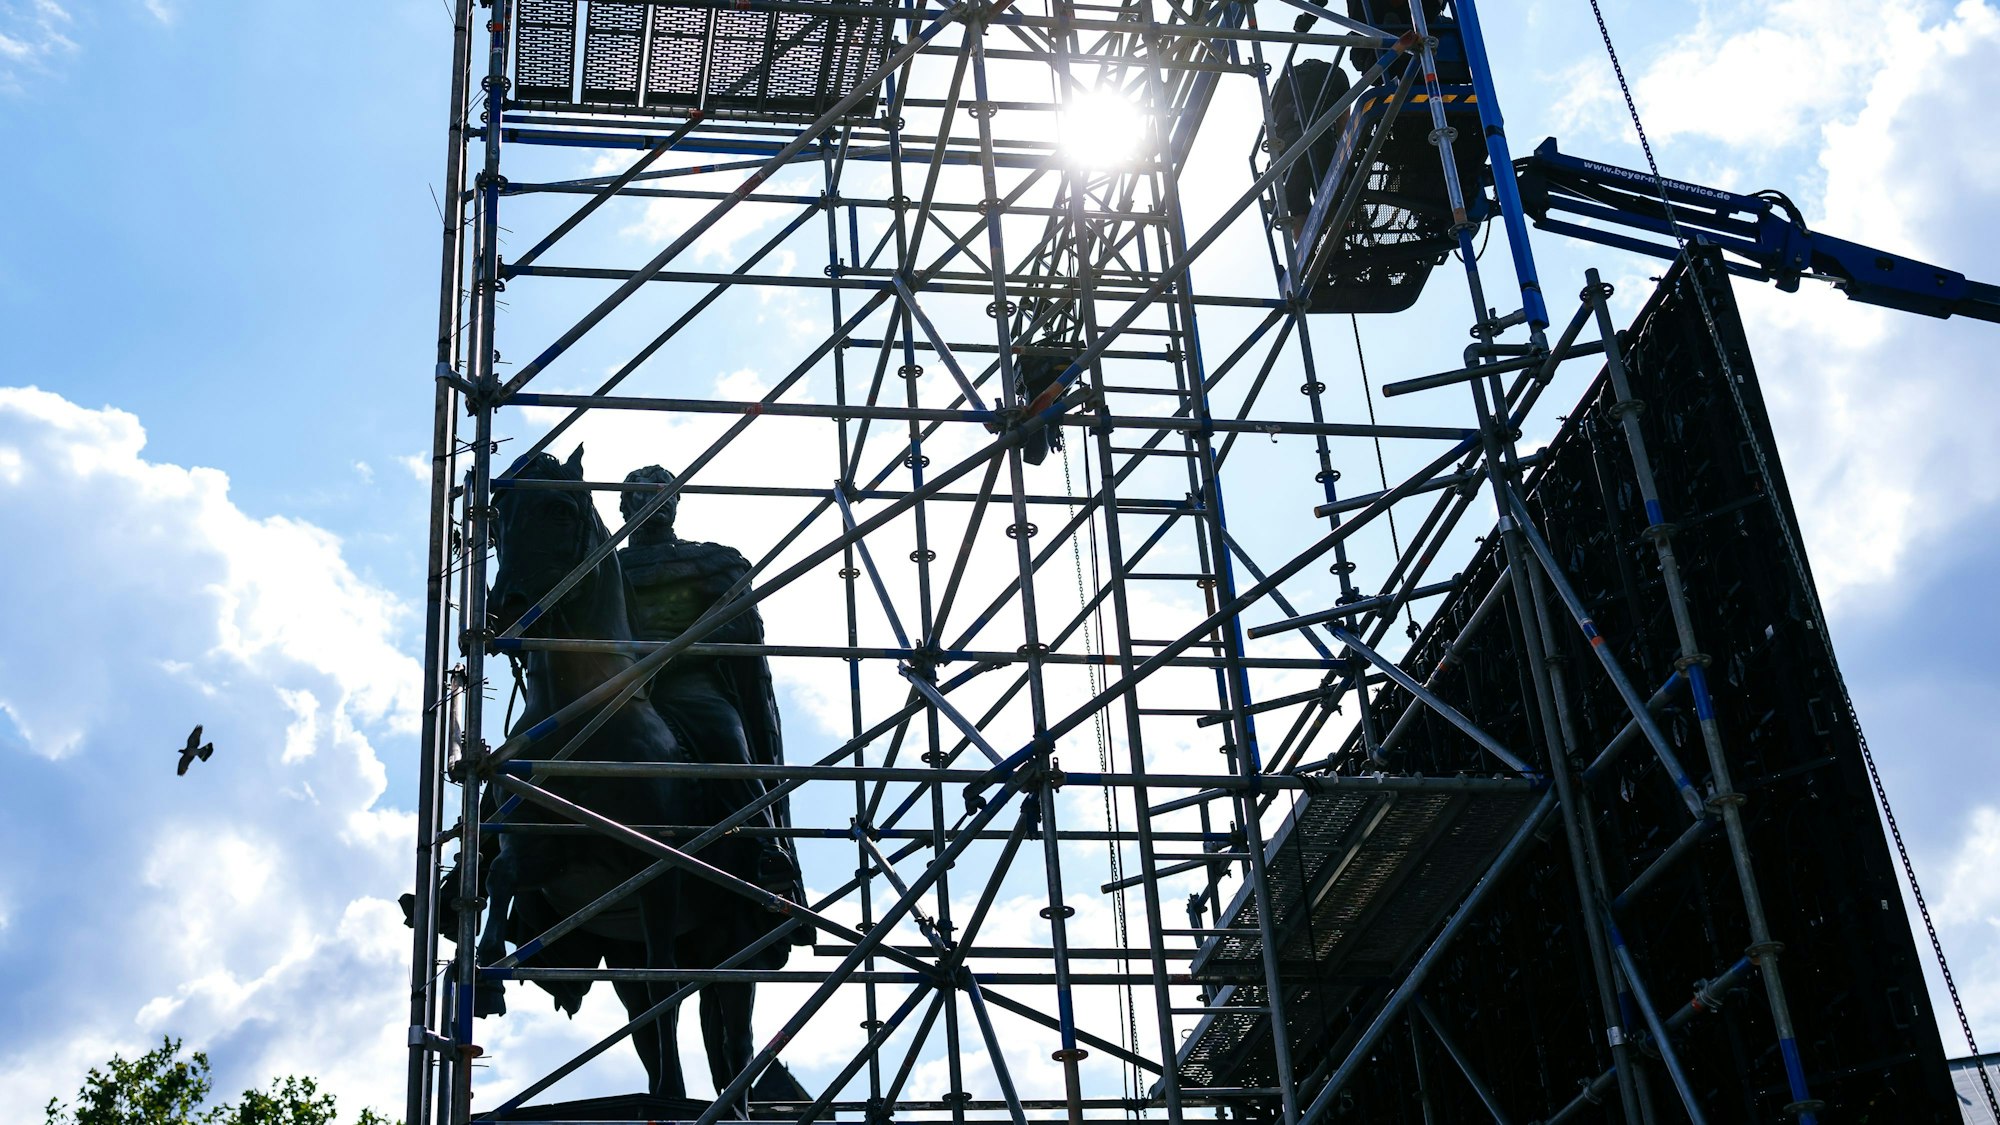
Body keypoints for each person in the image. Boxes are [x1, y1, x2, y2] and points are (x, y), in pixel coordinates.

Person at [617, 465, 805, 913]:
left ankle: (764, 847)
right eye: (640, 494)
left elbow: (737, 632)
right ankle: (484, 859)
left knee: (726, 739)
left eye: (662, 493)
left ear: (677, 503)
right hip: (614, 684)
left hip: (688, 681)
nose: (652, 502)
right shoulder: (605, 566)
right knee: (532, 745)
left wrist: (680, 653)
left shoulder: (710, 561)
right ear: (625, 506)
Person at [1270, 56, 1352, 243]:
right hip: (1321, 137)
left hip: (1286, 147)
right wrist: (1346, 157)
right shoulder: (1335, 73)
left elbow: (1270, 121)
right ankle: (1337, 248)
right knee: (1331, 199)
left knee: (1298, 208)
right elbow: (1344, 122)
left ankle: (1304, 259)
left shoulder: (1282, 81)